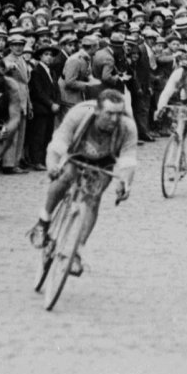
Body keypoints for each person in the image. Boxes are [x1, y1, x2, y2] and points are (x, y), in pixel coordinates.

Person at [28, 91, 138, 270]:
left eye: (119, 113)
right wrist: (53, 167)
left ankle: (76, 253)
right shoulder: (78, 115)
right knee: (65, 177)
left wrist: (125, 184)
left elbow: (129, 161)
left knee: (93, 200)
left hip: (104, 161)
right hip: (76, 153)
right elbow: (57, 147)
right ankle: (44, 221)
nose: (114, 119)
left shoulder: (127, 127)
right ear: (97, 111)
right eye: (109, 113)